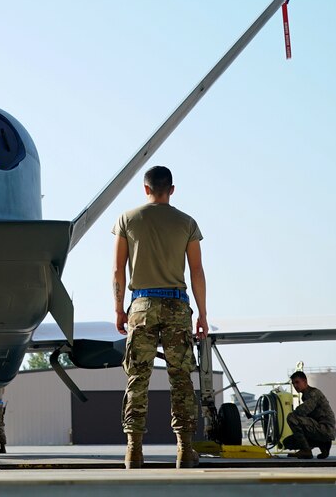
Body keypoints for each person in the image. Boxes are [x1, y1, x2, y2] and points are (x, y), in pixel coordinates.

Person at [113, 165, 207, 469]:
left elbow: (117, 270)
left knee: (137, 377)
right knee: (181, 378)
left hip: (141, 305)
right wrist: (202, 314)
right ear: (172, 190)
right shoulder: (187, 223)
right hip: (177, 306)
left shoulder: (127, 220)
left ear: (145, 189)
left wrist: (118, 308)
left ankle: (134, 450)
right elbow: (196, 271)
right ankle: (184, 449)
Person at [285, 371, 336, 459]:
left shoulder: (313, 393)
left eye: (297, 382)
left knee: (291, 417)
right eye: (293, 383)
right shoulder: (305, 395)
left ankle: (306, 450)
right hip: (319, 428)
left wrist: (294, 412)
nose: (295, 385)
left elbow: (303, 411)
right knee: (288, 442)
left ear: (305, 381)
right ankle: (323, 445)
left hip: (325, 429)